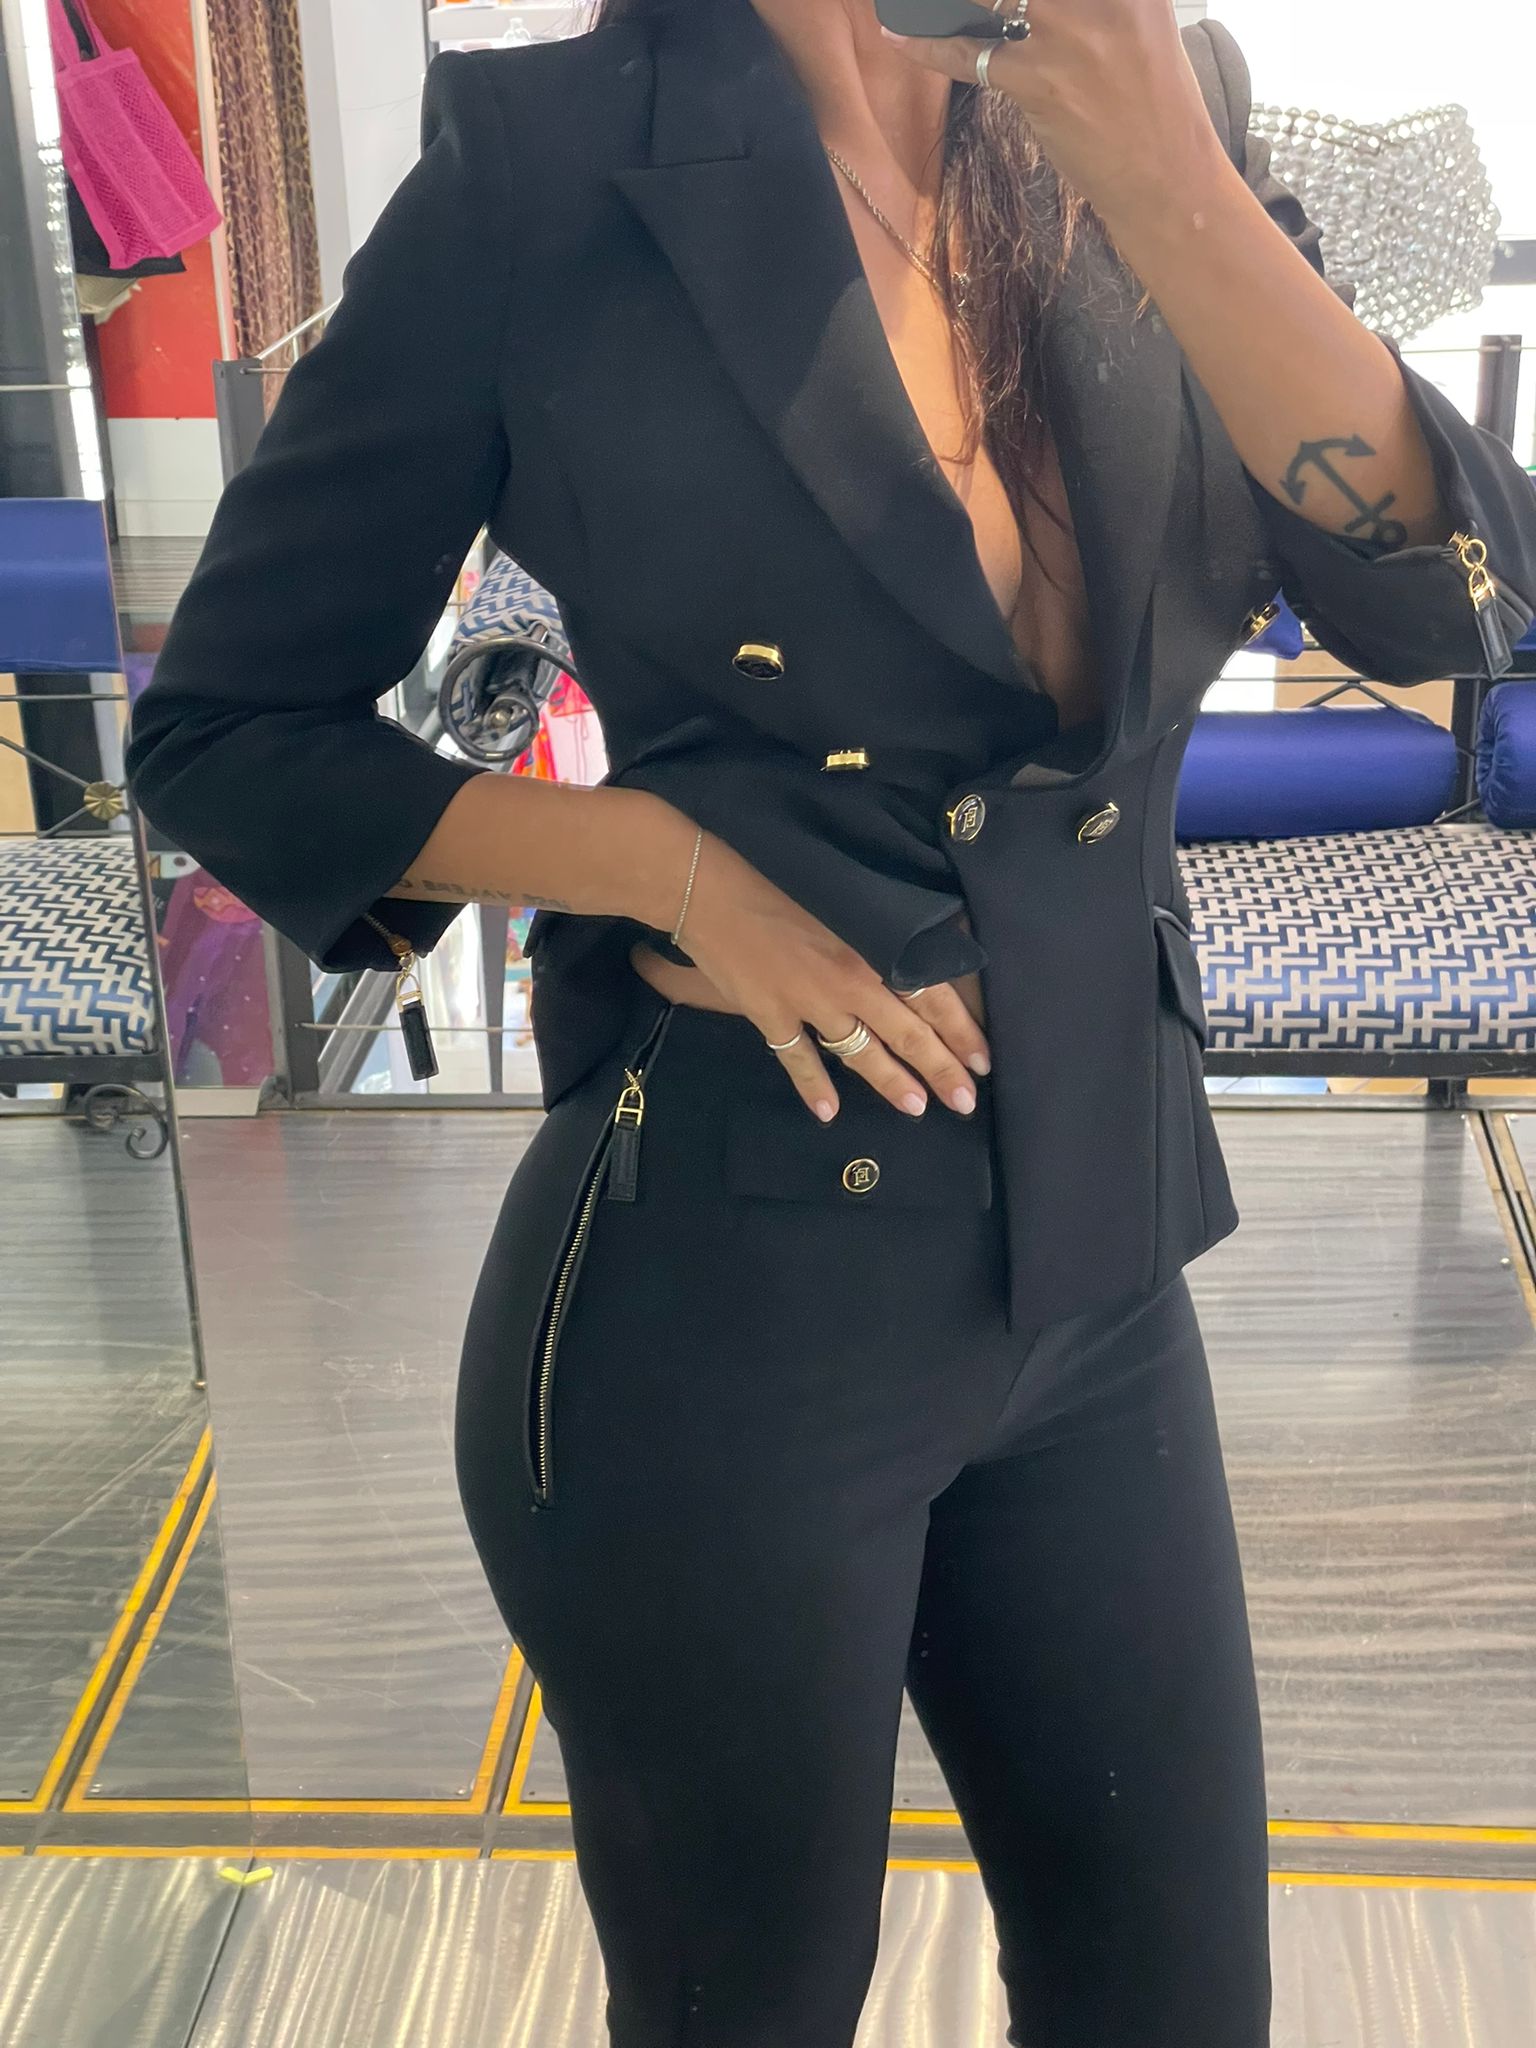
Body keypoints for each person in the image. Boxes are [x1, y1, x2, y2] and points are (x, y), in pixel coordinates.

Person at [125, 0, 1536, 2040]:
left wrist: (1171, 175)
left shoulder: (1164, 107)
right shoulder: (550, 164)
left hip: (1100, 1263)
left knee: (1178, 2002)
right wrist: (662, 864)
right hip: (719, 1298)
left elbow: (1444, 599)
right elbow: (226, 734)